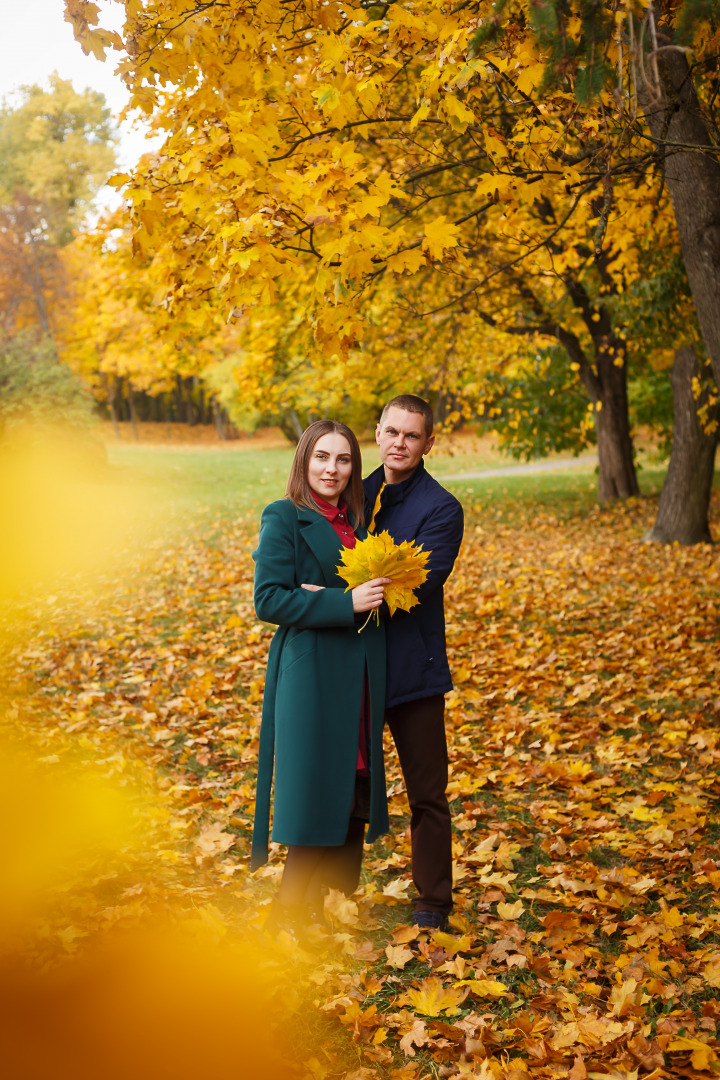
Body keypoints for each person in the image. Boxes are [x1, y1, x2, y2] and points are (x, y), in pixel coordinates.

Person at [251, 419, 391, 929]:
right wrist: (342, 601)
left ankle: (320, 907)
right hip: (312, 676)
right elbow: (268, 598)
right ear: (303, 461)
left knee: (350, 784)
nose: (332, 469)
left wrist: (356, 596)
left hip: (356, 677)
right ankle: (285, 915)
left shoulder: (357, 523)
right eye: (322, 457)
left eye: (344, 459)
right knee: (313, 790)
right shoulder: (284, 516)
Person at [363, 395, 464, 930]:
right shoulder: (355, 495)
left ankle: (433, 902)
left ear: (428, 443)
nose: (399, 443)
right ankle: (331, 889)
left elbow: (422, 582)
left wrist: (355, 585)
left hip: (412, 667)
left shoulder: (441, 507)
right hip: (352, 662)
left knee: (427, 793)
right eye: (391, 431)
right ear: (376, 433)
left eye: (411, 435)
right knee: (349, 783)